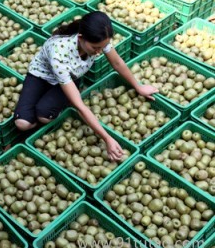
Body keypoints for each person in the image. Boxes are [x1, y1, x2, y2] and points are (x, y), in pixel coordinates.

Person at [14, 11, 159, 162]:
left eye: (102, 48)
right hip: (40, 75)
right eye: (95, 48)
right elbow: (81, 107)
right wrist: (107, 139)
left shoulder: (100, 40)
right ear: (81, 38)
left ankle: (51, 105)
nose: (98, 52)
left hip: (69, 78)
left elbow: (117, 63)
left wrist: (138, 86)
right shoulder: (59, 53)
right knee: (22, 124)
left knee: (43, 115)